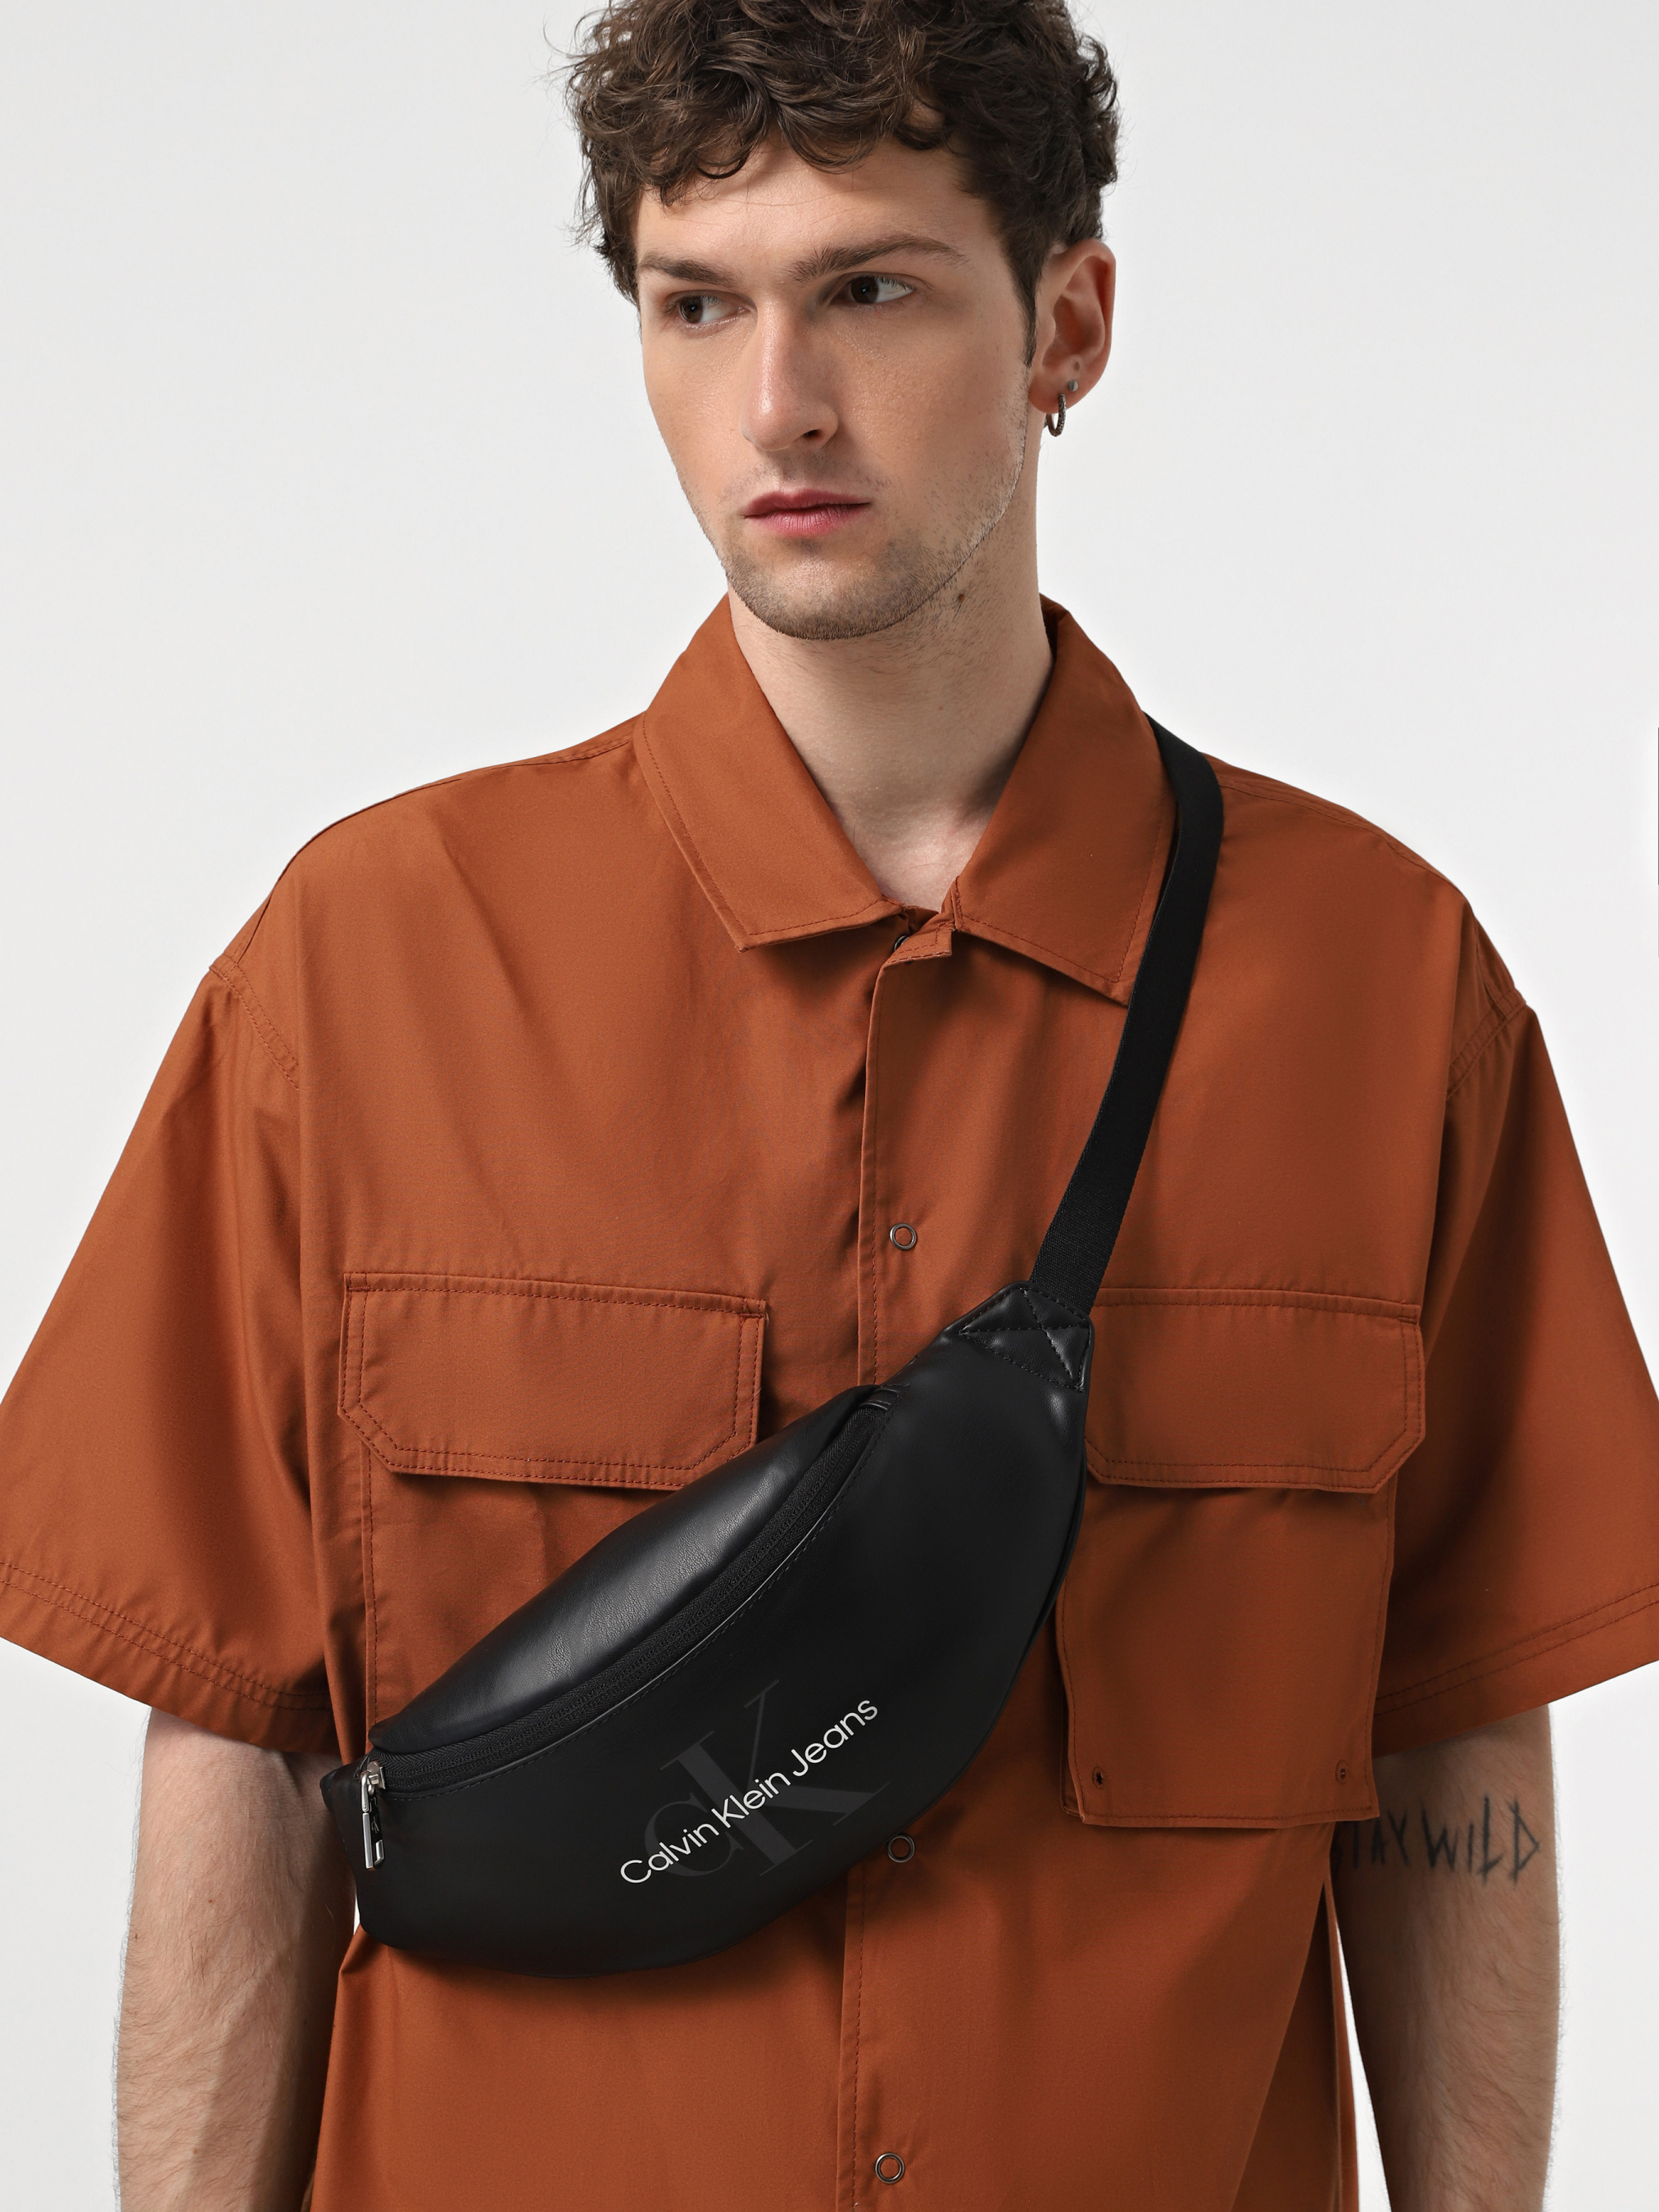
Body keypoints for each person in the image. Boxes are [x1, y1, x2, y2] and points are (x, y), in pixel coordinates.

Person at [2, 1, 1656, 2205]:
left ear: (1067, 323)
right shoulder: (365, 970)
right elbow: (240, 1751)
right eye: (695, 304)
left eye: (869, 289)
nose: (775, 400)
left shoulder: (1381, 987)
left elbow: (1454, 1741)